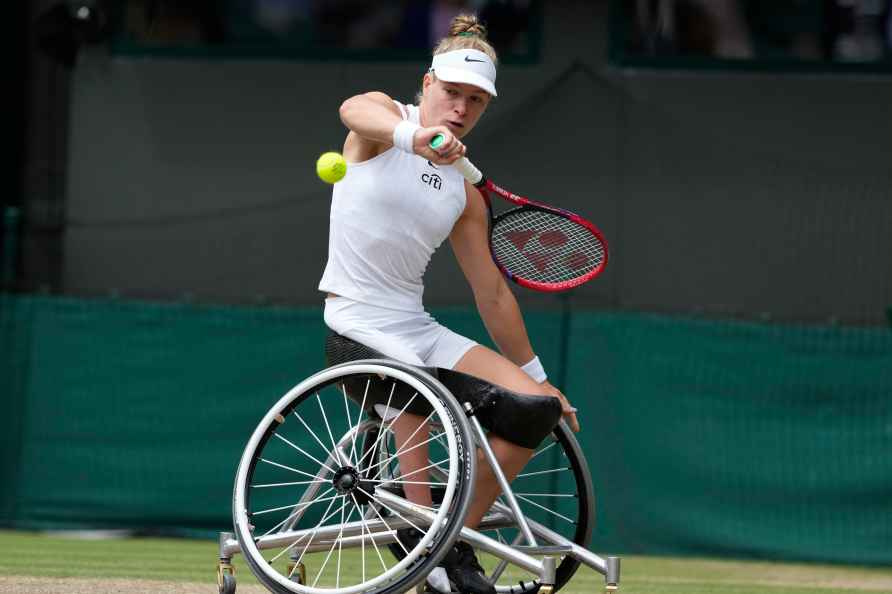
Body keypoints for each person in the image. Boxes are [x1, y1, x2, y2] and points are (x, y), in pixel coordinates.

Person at [318, 13, 579, 594]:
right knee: (419, 386)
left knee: (533, 407)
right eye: (452, 93)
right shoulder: (383, 121)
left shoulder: (465, 191)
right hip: (356, 320)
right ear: (427, 84)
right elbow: (353, 110)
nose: (460, 108)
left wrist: (541, 377)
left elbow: (491, 292)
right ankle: (427, 541)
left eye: (475, 101)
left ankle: (447, 542)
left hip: (414, 326)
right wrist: (416, 137)